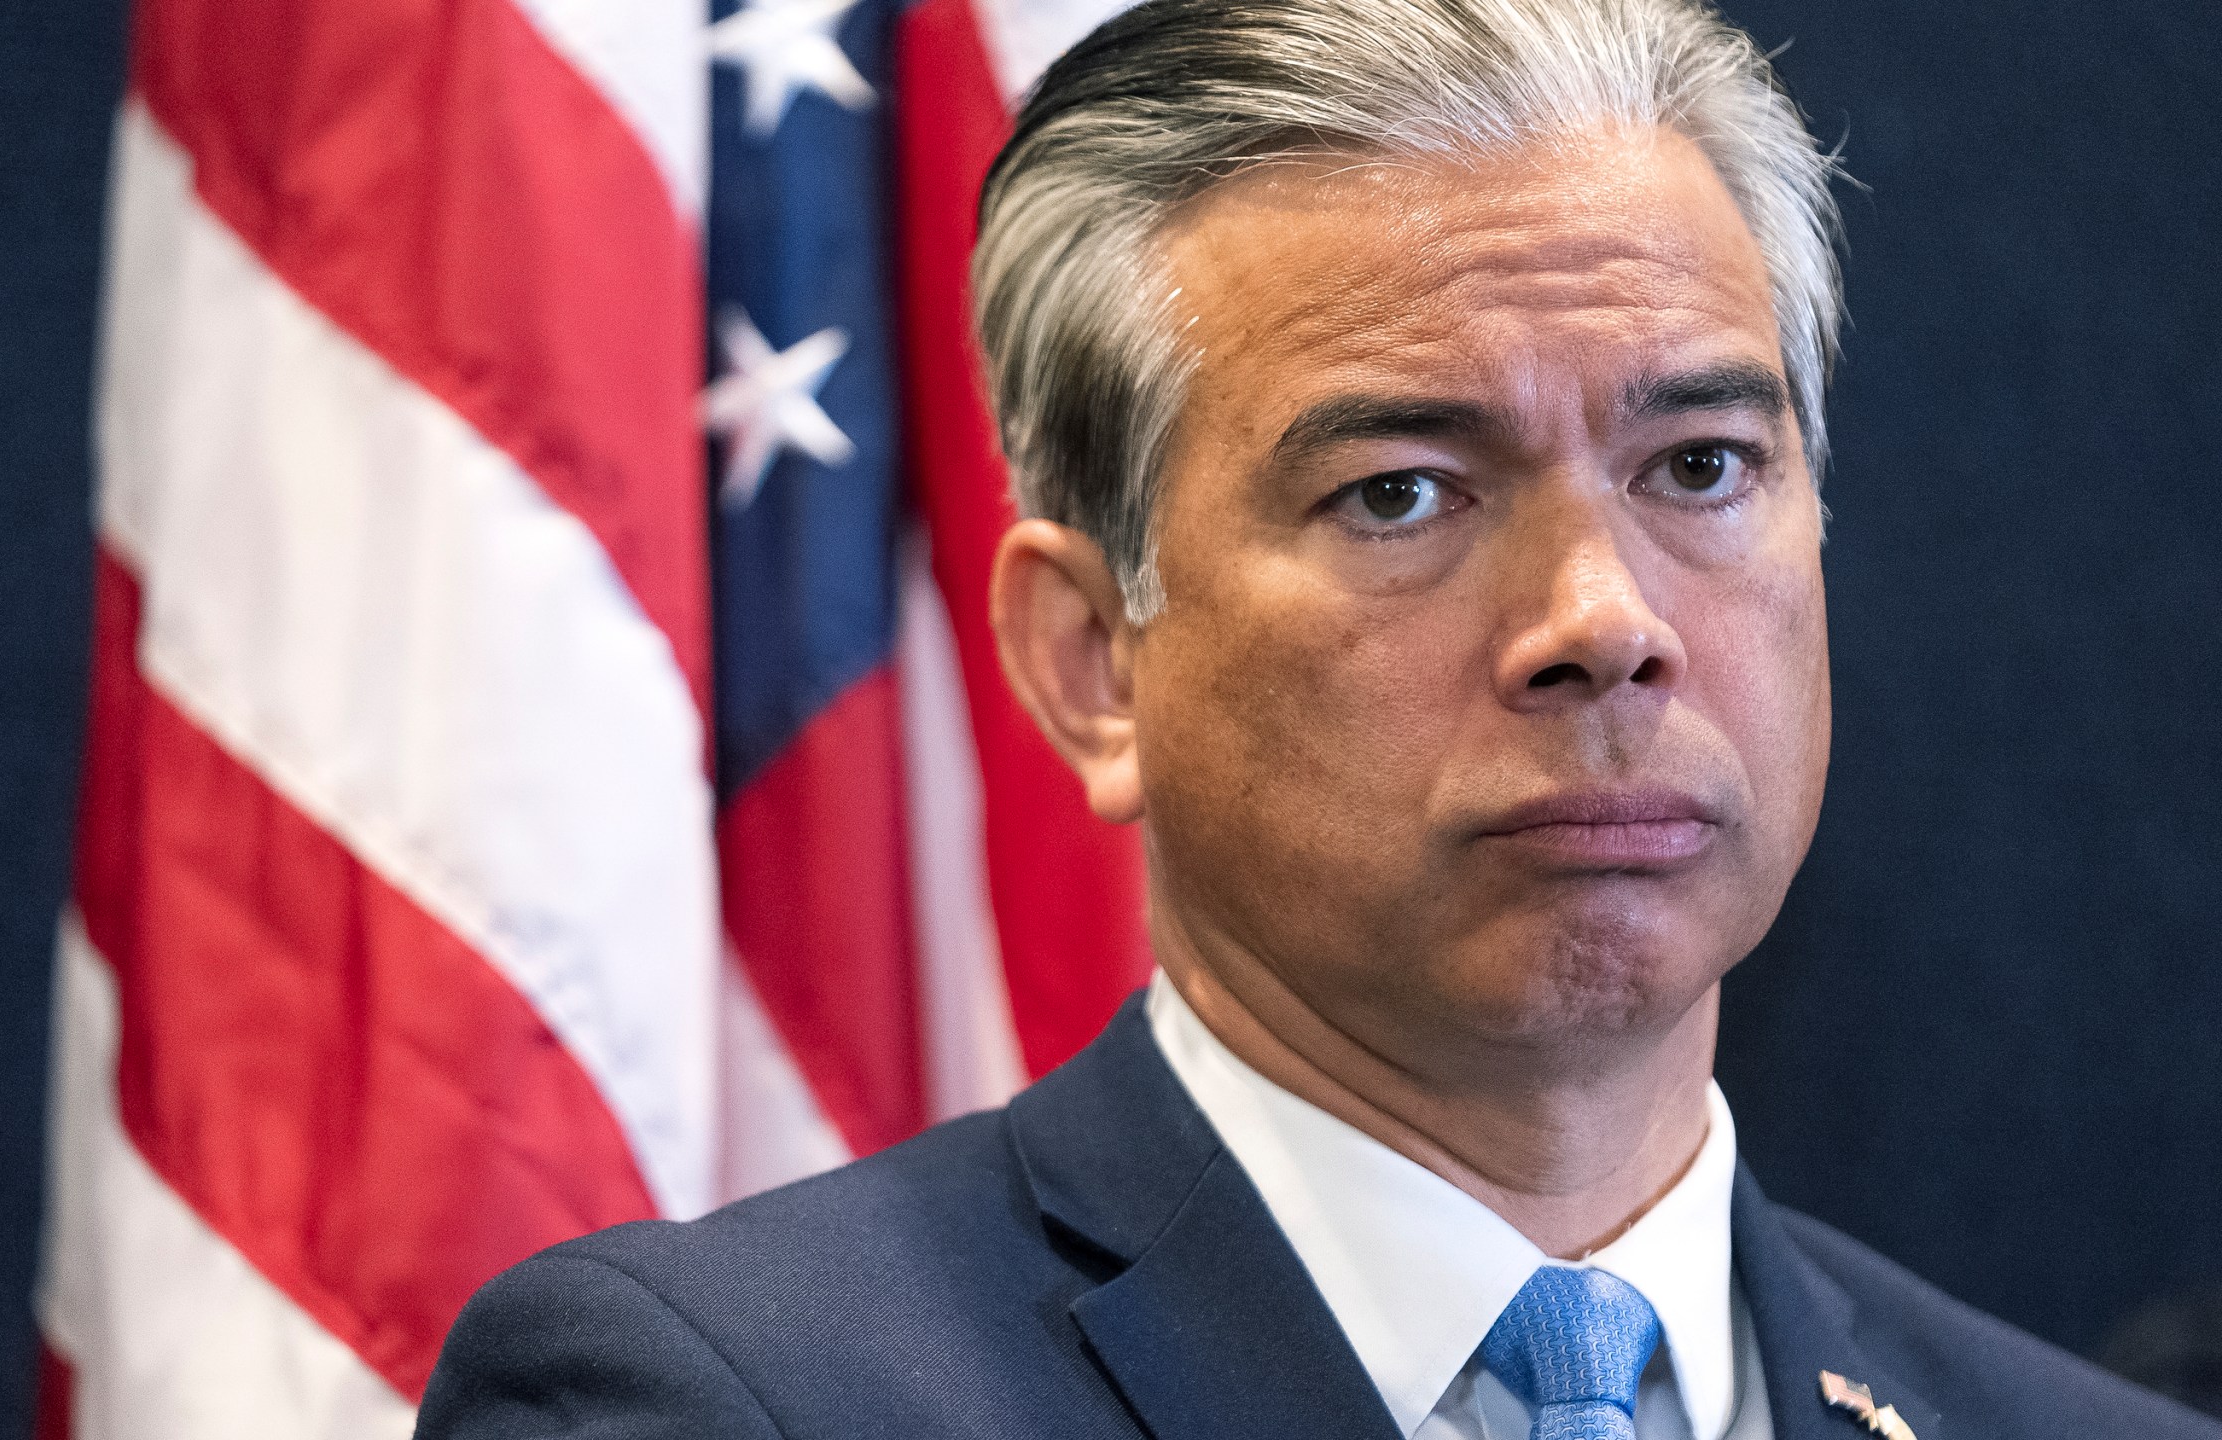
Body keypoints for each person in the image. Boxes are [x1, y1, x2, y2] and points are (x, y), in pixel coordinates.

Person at [416, 1, 2222, 1435]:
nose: (1604, 622)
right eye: (1400, 494)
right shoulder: (721, 1406)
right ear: (1091, 658)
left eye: (1701, 464)